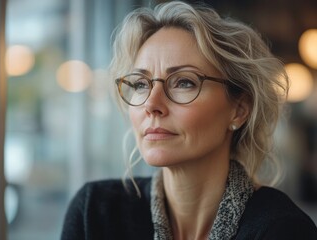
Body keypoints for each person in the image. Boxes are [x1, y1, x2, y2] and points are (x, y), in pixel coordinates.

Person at [61, 1, 317, 239]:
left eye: (184, 82)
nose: (152, 104)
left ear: (239, 109)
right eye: (140, 84)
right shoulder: (95, 212)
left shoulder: (282, 229)